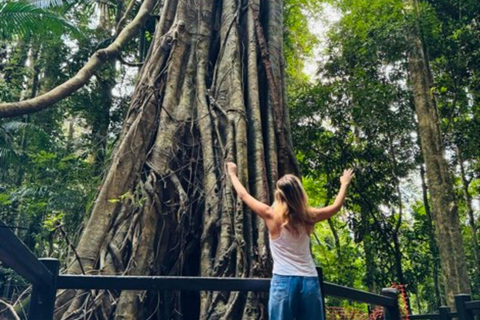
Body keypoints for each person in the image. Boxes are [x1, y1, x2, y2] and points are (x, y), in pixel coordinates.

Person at [226, 162, 354, 320]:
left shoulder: (271, 215)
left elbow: (244, 195)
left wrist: (232, 173)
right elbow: (336, 206)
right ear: (300, 194)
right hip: (309, 281)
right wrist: (344, 184)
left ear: (279, 195)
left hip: (284, 281)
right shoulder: (309, 216)